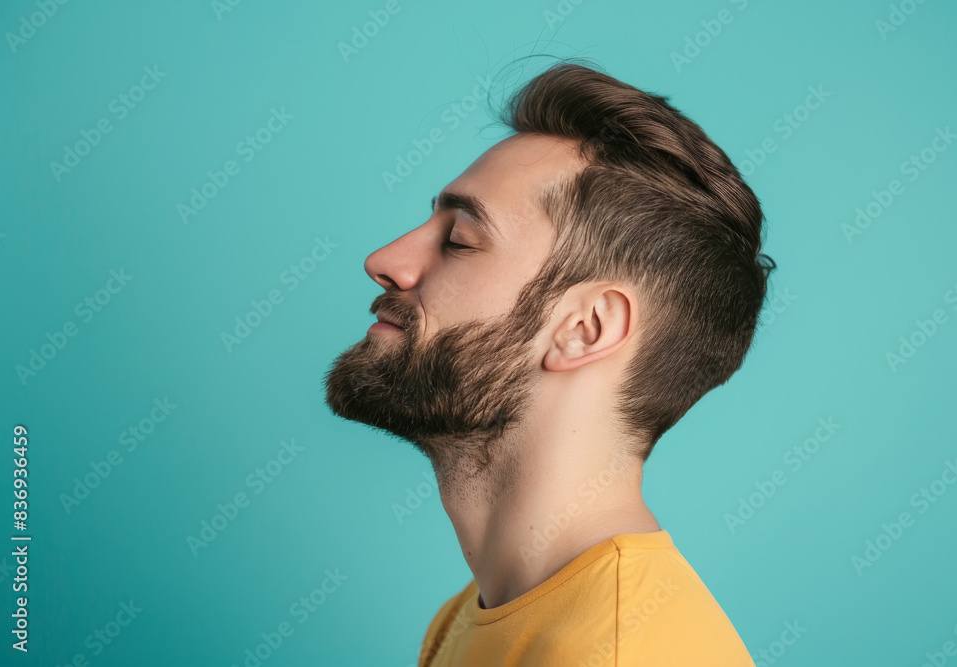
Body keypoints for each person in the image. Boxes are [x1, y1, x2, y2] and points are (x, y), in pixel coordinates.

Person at [324, 60, 774, 666]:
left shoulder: (624, 653)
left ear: (585, 330)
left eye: (458, 240)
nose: (386, 260)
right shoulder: (467, 619)